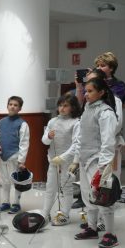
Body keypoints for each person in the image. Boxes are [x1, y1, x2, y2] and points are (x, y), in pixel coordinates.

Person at [74, 78, 119, 248]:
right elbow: (81, 137)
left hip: (98, 161)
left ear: (101, 92)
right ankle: (92, 229)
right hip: (85, 159)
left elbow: (108, 141)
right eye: (85, 91)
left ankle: (110, 234)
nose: (86, 94)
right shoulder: (87, 108)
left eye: (90, 91)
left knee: (103, 198)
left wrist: (103, 167)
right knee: (88, 196)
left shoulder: (106, 112)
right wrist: (77, 159)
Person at [41, 94, 81, 226]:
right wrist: (48, 136)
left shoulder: (76, 122)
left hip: (68, 162)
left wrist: (63, 158)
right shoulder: (52, 121)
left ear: (72, 107)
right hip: (53, 161)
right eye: (60, 105)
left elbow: (76, 144)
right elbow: (44, 141)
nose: (62, 108)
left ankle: (64, 214)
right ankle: (45, 213)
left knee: (66, 188)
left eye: (65, 106)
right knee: (50, 187)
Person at [0, 96, 30, 214]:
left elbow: (24, 143)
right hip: (3, 156)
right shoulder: (1, 122)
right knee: (4, 180)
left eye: (15, 105)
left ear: (20, 108)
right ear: (7, 106)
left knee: (16, 181)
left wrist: (21, 160)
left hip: (15, 156)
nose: (12, 107)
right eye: (10, 104)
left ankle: (16, 203)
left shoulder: (22, 124)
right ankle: (5, 202)